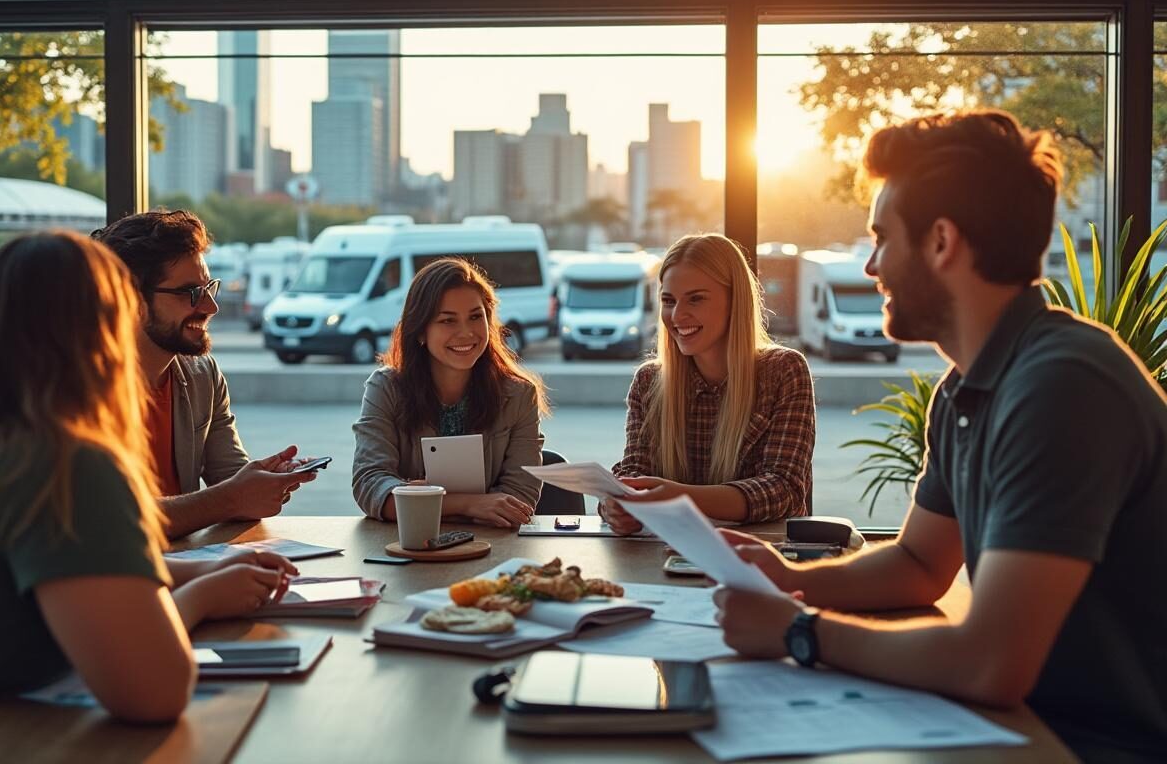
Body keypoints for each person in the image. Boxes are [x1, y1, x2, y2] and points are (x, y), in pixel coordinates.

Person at [715, 111, 1167, 763]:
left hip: (1098, 744)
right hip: (1021, 725)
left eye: (880, 238)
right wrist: (791, 581)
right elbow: (921, 565)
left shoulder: (1063, 384)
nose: (870, 265)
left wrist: (799, 632)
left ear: (941, 242)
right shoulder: (966, 389)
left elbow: (992, 663)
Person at [0, 232, 300, 763]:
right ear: (106, 330)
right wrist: (204, 596)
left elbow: (55, 579)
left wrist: (206, 573)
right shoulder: (63, 459)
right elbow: (154, 689)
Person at [91, 210, 316, 538]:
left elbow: (231, 479)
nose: (211, 306)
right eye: (190, 293)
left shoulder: (201, 374)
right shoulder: (79, 388)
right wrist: (234, 497)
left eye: (209, 287)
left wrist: (267, 481)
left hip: (184, 569)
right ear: (131, 299)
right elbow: (113, 520)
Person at [598, 233, 815, 532]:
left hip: (761, 559)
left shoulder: (783, 371)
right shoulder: (649, 382)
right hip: (665, 556)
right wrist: (616, 505)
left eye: (696, 299)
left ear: (735, 301)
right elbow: (634, 470)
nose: (677, 315)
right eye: (668, 300)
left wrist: (680, 497)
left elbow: (784, 490)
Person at [352, 258, 548, 525]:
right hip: (408, 546)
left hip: (494, 547)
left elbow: (518, 497)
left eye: (475, 317)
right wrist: (469, 504)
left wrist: (420, 499)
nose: (466, 333)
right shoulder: (385, 387)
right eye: (447, 321)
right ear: (420, 330)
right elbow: (370, 486)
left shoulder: (520, 394)